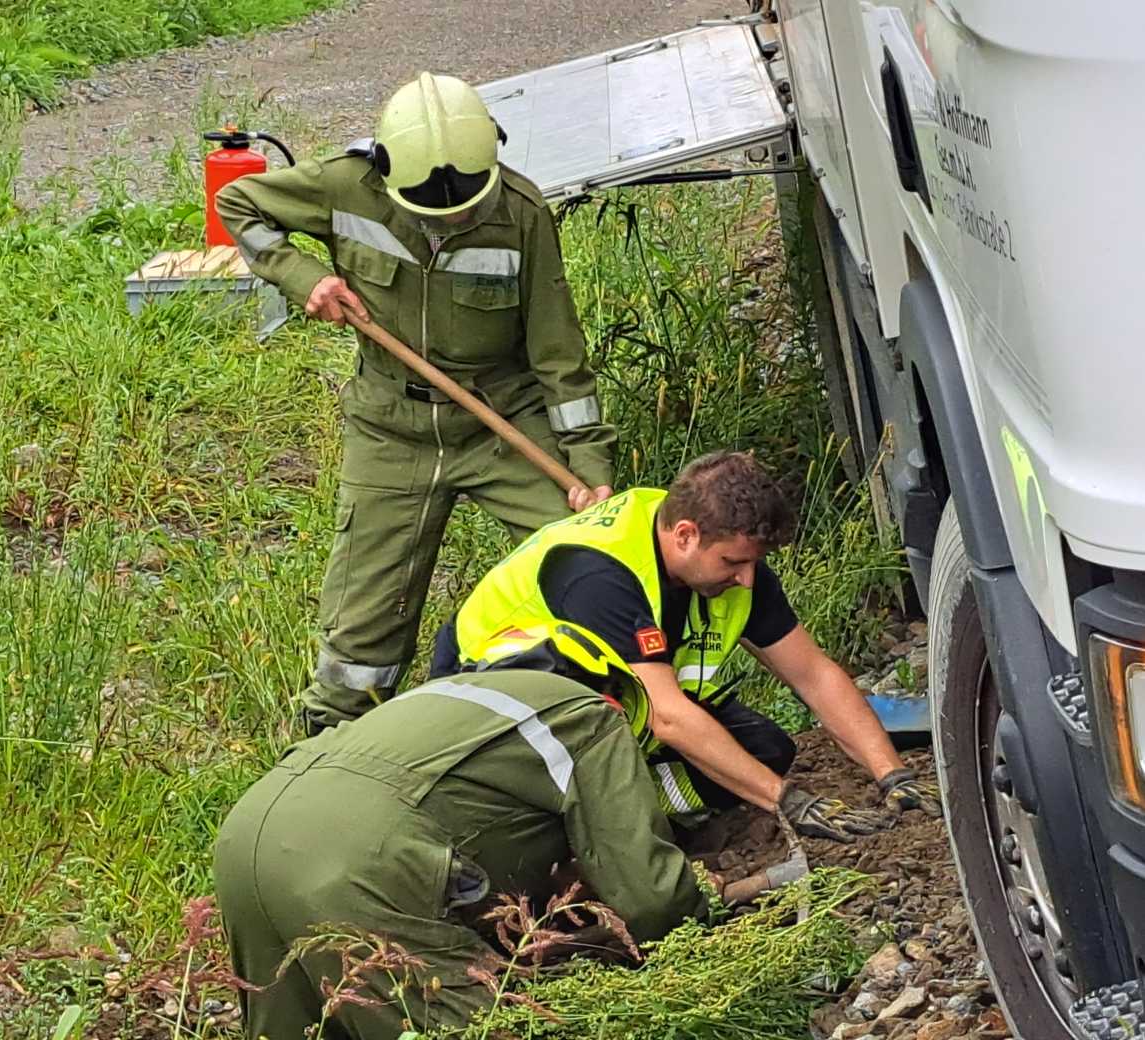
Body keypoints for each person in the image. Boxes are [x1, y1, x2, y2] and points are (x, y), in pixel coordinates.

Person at [218, 72, 615, 732]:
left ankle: (591, 718)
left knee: (586, 564)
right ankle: (331, 746)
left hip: (500, 421)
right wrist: (303, 277)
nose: (455, 218)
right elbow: (239, 204)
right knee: (364, 623)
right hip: (390, 428)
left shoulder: (520, 214)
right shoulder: (344, 187)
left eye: (465, 208)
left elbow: (558, 355)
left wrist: (591, 473)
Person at [431, 450, 942, 840]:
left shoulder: (731, 565)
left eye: (751, 564)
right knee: (656, 731)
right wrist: (787, 802)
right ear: (684, 535)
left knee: (765, 750)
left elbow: (813, 674)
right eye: (732, 564)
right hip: (495, 710)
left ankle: (638, 808)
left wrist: (891, 774)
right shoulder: (599, 572)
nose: (745, 581)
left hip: (623, 705)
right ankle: (584, 823)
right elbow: (667, 715)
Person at [213, 647, 709, 1039]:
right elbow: (651, 898)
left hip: (246, 834)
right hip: (354, 858)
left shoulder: (447, 698)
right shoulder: (587, 715)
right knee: (485, 1030)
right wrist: (705, 934)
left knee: (303, 1027)